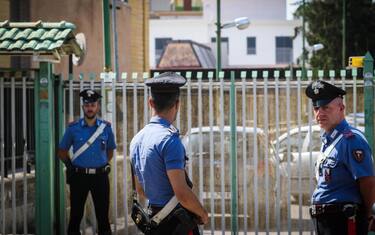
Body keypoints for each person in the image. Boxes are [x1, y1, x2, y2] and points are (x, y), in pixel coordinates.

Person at [129, 72, 208, 234]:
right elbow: (182, 194)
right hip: (176, 222)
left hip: (154, 220)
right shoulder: (170, 140)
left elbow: (141, 190)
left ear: (151, 103)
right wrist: (203, 213)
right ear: (177, 104)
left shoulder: (136, 140)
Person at [305, 80, 375, 235]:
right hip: (326, 221)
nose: (319, 113)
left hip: (343, 220)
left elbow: (367, 181)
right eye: (316, 108)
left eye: (326, 108)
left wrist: (368, 215)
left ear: (341, 108)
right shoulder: (329, 140)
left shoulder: (351, 139)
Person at [58, 89, 116, 235]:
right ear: (83, 107)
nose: (90, 108)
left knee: (103, 217)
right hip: (79, 177)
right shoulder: (73, 128)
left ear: (98, 106)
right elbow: (61, 151)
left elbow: (110, 151)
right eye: (87, 105)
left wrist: (100, 164)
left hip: (100, 177)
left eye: (93, 105)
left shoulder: (106, 128)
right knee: (75, 216)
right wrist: (70, 166)